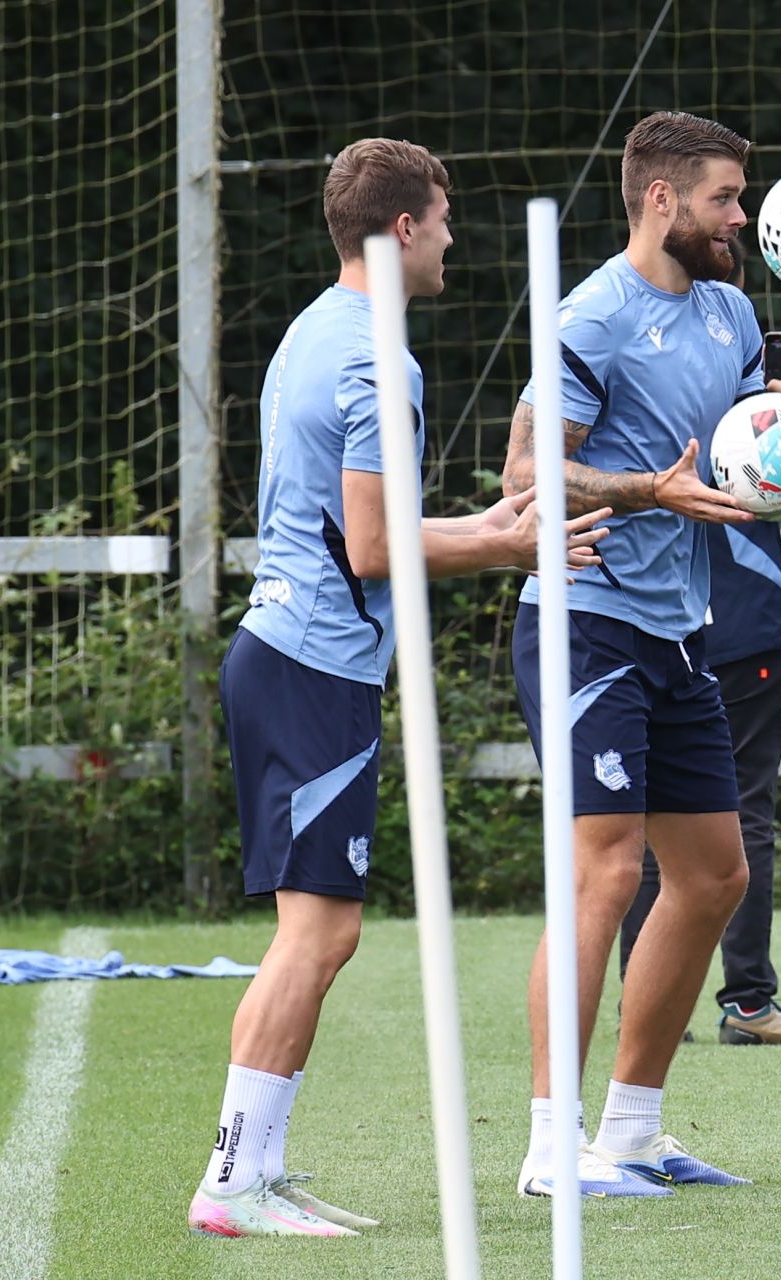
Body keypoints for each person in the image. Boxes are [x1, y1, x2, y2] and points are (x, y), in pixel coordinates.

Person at [187, 137, 609, 1239]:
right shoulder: (379, 356)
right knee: (317, 935)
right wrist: (513, 554)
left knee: (321, 930)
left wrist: (497, 525)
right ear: (405, 228)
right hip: (312, 664)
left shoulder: (316, 329)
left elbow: (355, 531)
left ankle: (260, 1169)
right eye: (447, 215)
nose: (458, 237)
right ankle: (231, 1178)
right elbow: (373, 551)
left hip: (292, 655)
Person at [502, 110, 777, 1197]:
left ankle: (632, 1128)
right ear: (660, 198)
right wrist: (644, 489)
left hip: (679, 628)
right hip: (583, 621)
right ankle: (544, 1144)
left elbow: (751, 440)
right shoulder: (594, 317)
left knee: (713, 875)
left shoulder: (732, 312)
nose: (740, 217)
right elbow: (528, 470)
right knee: (606, 871)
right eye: (724, 197)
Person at [617, 236, 781, 1048]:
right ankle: (746, 1001)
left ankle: (650, 1002)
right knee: (740, 814)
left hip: (670, 620)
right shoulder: (756, 411)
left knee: (649, 820)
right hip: (735, 620)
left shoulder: (636, 377)